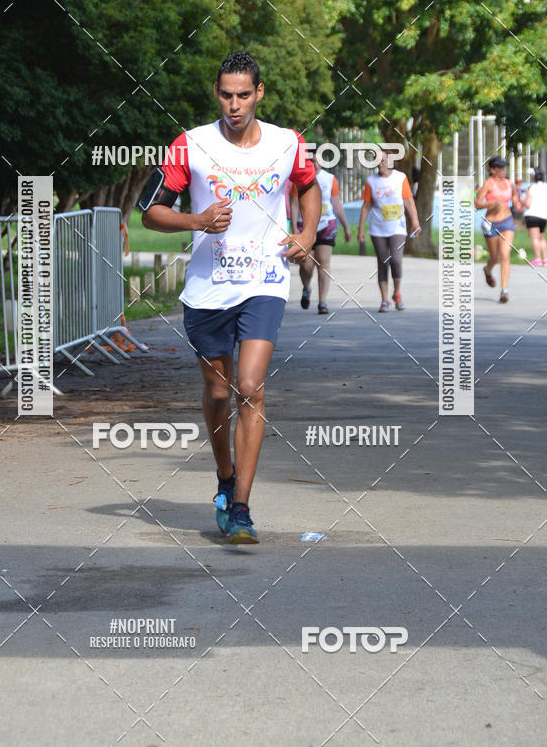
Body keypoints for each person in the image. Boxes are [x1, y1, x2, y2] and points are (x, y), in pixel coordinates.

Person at [141, 52, 320, 544]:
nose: (234, 104)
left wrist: (305, 234)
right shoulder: (191, 146)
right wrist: (197, 221)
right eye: (226, 94)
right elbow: (150, 211)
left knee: (250, 386)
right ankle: (224, 477)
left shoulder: (288, 143)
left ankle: (241, 507)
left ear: (259, 93)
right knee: (219, 393)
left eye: (244, 95)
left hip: (264, 281)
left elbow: (309, 187)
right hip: (207, 288)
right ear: (215, 92)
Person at [356, 150, 420, 312]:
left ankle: (397, 293)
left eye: (384, 160)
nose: (381, 163)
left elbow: (409, 201)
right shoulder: (371, 181)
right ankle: (384, 299)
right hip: (378, 228)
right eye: (378, 160)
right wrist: (360, 229)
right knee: (383, 262)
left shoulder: (400, 178)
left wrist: (415, 222)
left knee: (396, 260)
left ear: (390, 162)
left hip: (397, 227)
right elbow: (366, 206)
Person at [289, 154, 351, 313]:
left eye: (317, 161)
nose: (314, 164)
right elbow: (294, 203)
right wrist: (295, 227)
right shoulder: (300, 178)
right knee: (307, 264)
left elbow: (336, 204)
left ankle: (322, 302)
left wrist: (346, 227)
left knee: (324, 263)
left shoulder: (330, 179)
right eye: (311, 161)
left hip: (326, 225)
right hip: (305, 226)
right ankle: (306, 287)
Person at [475, 156, 523, 303]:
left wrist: (516, 203)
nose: (503, 170)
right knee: (494, 257)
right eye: (500, 168)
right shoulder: (488, 184)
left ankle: (504, 291)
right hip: (491, 224)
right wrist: (491, 203)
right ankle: (487, 270)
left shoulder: (509, 183)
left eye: (504, 168)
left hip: (507, 222)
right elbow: (477, 204)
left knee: (504, 254)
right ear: (493, 170)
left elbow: (514, 197)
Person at [523, 169, 547, 266]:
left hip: (532, 215)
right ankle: (545, 259)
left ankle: (537, 258)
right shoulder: (546, 187)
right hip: (543, 216)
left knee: (534, 238)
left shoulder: (532, 188)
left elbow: (528, 204)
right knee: (541, 237)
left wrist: (523, 202)